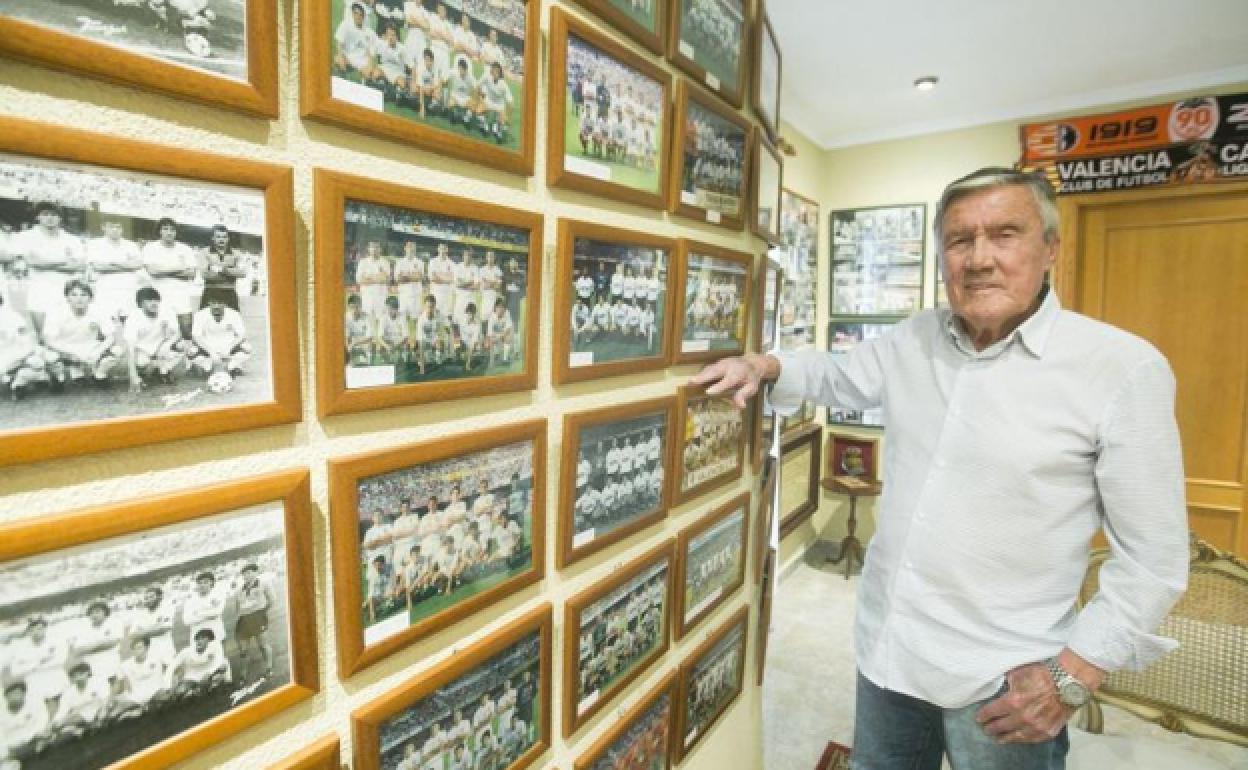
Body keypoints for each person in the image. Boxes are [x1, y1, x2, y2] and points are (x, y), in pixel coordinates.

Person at [692, 167, 1189, 770]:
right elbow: (835, 374)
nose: (979, 258)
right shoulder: (916, 338)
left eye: (1005, 234)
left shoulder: (1120, 368)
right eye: (959, 240)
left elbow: (1155, 563)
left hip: (1006, 681)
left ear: (1050, 247)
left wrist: (1073, 674)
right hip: (889, 655)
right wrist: (765, 365)